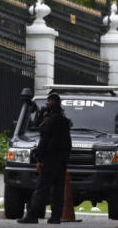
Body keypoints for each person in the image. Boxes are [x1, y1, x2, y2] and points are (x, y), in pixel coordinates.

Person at [18, 93, 72, 224]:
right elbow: (68, 143)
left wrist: (39, 159)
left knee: (42, 188)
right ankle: (56, 216)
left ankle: (33, 215)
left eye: (48, 103)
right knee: (58, 189)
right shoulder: (65, 122)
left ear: (50, 105)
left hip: (50, 159)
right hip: (62, 160)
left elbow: (43, 141)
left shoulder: (48, 121)